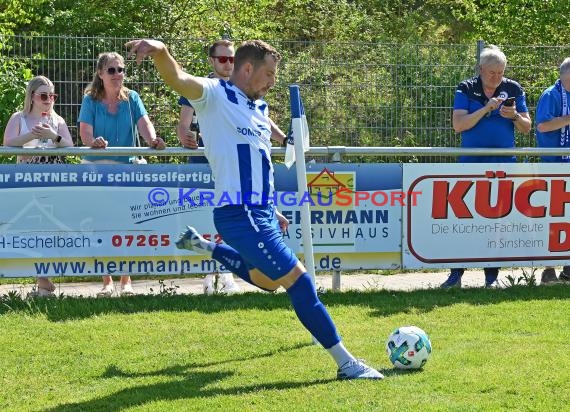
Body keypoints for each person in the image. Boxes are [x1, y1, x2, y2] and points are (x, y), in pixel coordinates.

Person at [126, 38, 382, 380]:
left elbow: (260, 165)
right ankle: (347, 364)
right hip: (239, 213)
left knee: (268, 281)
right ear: (247, 69)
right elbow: (178, 79)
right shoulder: (215, 94)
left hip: (260, 211)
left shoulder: (259, 110)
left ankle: (205, 246)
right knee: (301, 283)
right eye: (269, 74)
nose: (272, 81)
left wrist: (272, 207)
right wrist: (161, 51)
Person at [441, 45, 532, 289]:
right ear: (481, 69)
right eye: (492, 72)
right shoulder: (466, 87)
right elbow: (458, 125)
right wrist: (486, 108)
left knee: (496, 222)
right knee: (463, 220)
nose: (496, 78)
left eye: (500, 72)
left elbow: (527, 127)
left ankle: (491, 277)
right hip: (470, 164)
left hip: (503, 166)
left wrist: (513, 116)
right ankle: (456, 274)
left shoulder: (513, 88)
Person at [78, 52, 166, 297]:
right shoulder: (90, 100)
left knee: (128, 225)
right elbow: (84, 132)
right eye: (111, 70)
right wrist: (92, 142)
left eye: (121, 70)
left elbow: (145, 124)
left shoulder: (133, 98)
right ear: (100, 74)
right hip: (97, 171)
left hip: (126, 172)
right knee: (100, 225)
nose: (117, 74)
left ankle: (126, 280)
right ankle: (106, 281)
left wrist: (153, 140)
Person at [176, 39, 241, 295]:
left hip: (233, 162)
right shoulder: (199, 87)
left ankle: (226, 273)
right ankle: (209, 274)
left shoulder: (242, 88)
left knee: (230, 215)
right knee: (206, 216)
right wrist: (184, 135)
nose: (228, 64)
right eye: (223, 59)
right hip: (203, 160)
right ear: (212, 61)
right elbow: (183, 124)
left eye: (232, 59)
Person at [3, 75, 74, 297]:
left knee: (50, 231)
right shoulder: (19, 118)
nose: (48, 100)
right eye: (44, 95)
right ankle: (43, 280)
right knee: (32, 230)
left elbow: (70, 147)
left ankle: (43, 281)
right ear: (32, 97)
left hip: (53, 185)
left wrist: (53, 136)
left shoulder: (57, 121)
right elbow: (7, 143)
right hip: (27, 184)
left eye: (52, 96)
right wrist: (30, 135)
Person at [535, 57, 570, 284]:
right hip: (552, 165)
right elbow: (543, 125)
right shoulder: (551, 95)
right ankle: (548, 270)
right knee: (552, 216)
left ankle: (567, 268)